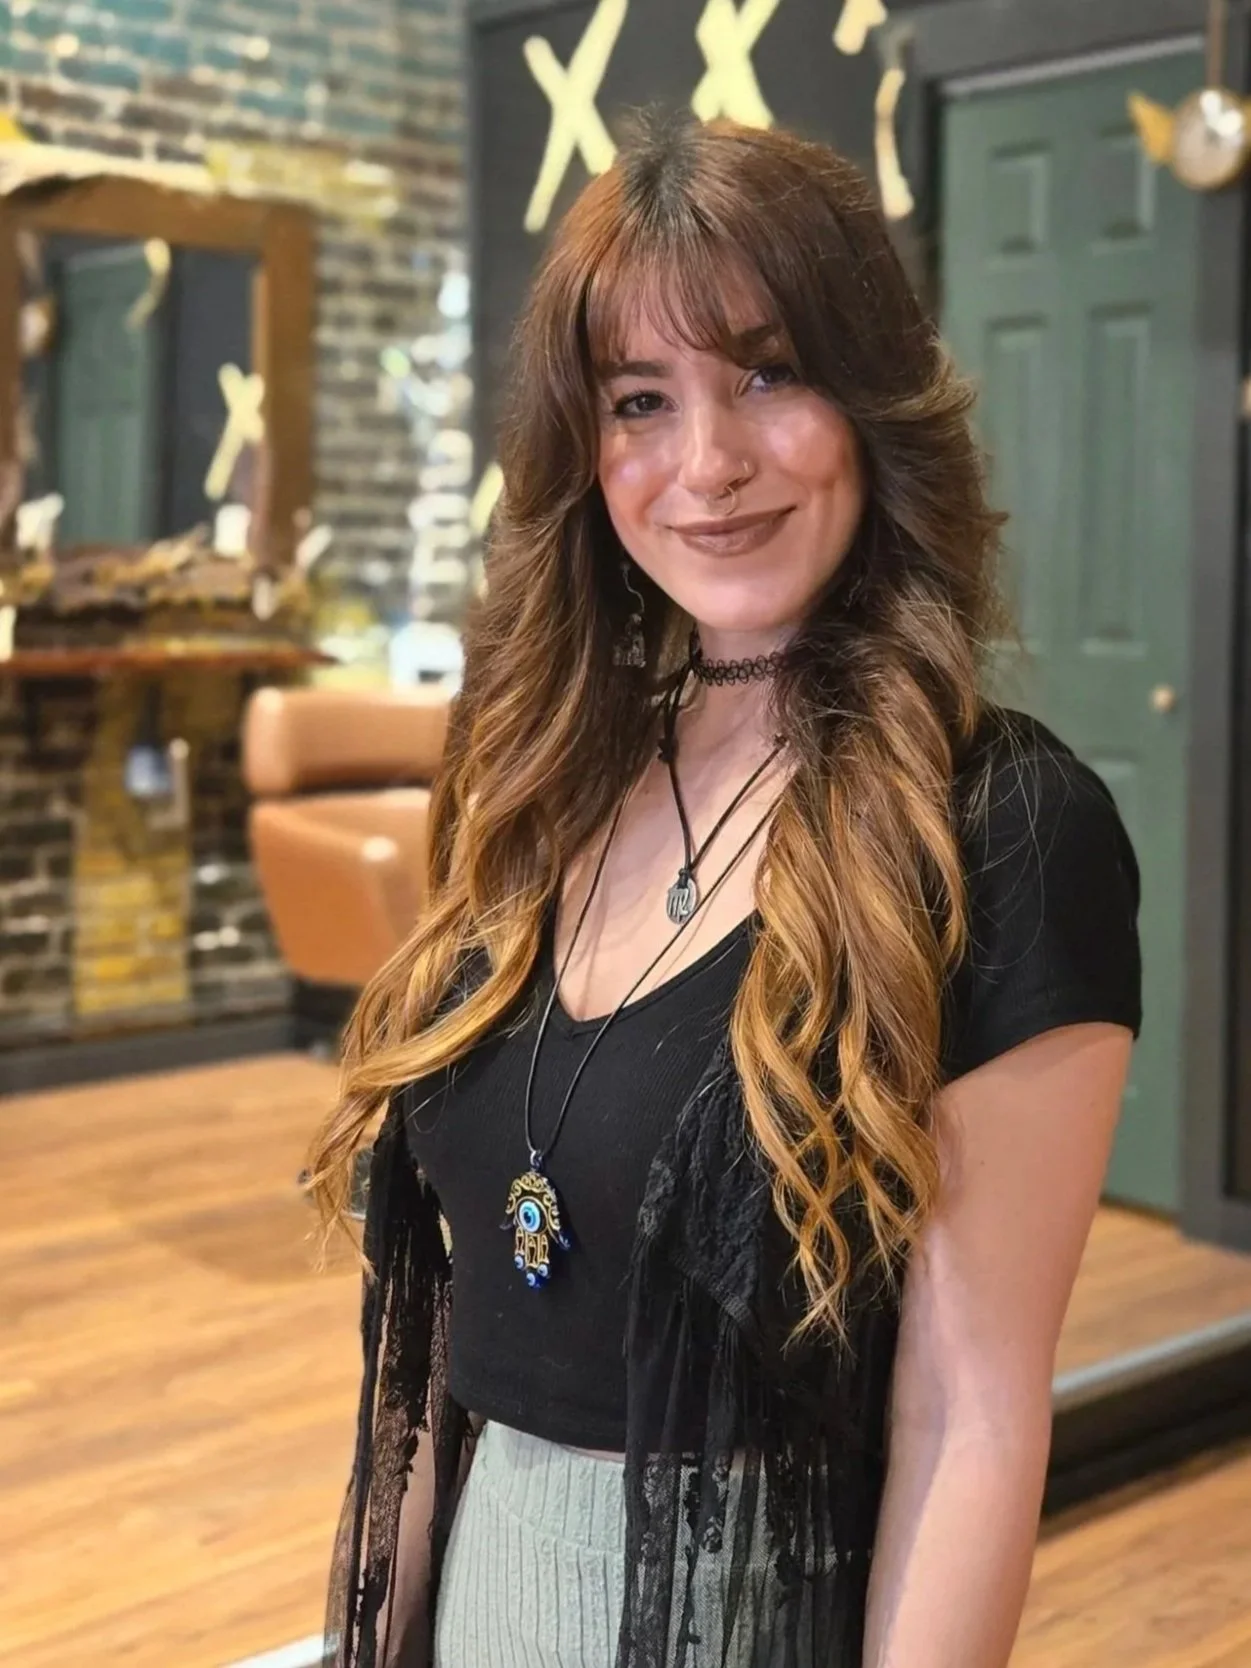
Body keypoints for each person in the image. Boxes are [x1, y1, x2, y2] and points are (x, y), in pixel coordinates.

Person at [308, 109, 1141, 1668]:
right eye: (639, 400)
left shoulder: (1004, 831)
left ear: (872, 400)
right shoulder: (539, 774)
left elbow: (971, 1420)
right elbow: (440, 1364)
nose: (705, 465)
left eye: (766, 373)